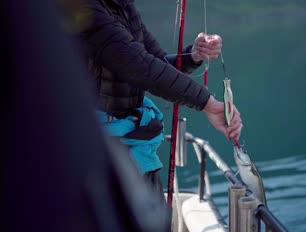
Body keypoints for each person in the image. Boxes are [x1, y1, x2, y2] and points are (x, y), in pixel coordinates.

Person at [75, 0, 243, 203]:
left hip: (135, 144)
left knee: (153, 226)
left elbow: (157, 62)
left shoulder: (124, 6)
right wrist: (208, 103)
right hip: (97, 155)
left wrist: (193, 56)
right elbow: (140, 66)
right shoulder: (83, 9)